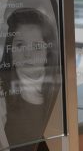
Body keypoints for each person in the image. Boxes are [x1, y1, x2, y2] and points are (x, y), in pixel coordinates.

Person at [0, 8, 60, 150]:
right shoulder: (2, 90)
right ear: (11, 49)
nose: (28, 54)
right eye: (20, 45)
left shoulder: (59, 87)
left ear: (48, 52)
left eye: (37, 46)